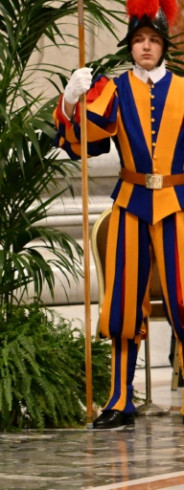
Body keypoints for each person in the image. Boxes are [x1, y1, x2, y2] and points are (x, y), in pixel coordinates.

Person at [55, 0, 184, 429]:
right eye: (138, 40)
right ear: (129, 46)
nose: (145, 47)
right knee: (123, 305)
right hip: (130, 203)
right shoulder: (113, 89)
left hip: (179, 206)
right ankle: (119, 400)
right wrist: (71, 102)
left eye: (153, 40)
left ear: (164, 46)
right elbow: (84, 144)